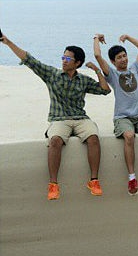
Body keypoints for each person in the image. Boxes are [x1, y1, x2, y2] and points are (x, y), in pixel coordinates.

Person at [0, 33, 111, 200]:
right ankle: (53, 184)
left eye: (67, 59)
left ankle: (94, 181)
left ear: (77, 63)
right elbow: (30, 60)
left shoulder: (83, 80)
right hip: (59, 119)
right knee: (55, 141)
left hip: (80, 118)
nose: (63, 60)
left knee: (94, 138)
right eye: (63, 57)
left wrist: (96, 70)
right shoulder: (51, 74)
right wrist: (8, 42)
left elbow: (105, 90)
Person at [93, 33, 138, 195]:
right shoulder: (112, 74)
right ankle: (132, 177)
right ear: (113, 61)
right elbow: (97, 55)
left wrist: (128, 38)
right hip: (122, 117)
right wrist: (96, 37)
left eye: (124, 55)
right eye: (119, 57)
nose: (124, 59)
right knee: (129, 136)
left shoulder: (135, 69)